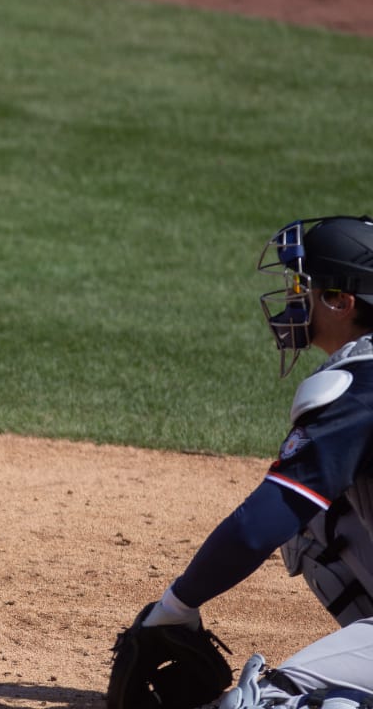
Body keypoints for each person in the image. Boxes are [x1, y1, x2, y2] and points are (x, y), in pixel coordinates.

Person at [114, 216, 373, 708]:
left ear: (340, 300)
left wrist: (175, 607)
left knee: (267, 703)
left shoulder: (361, 388)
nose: (293, 299)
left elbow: (261, 523)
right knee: (320, 518)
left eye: (303, 287)